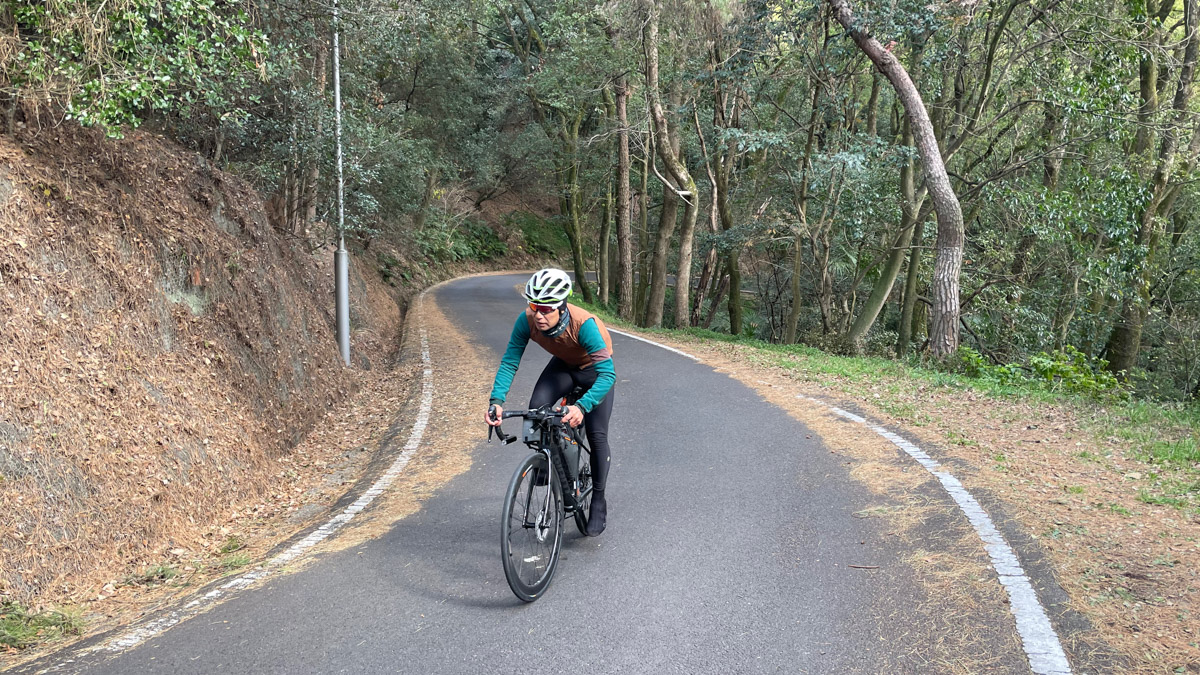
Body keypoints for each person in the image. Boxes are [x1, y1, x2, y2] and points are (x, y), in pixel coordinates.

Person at [485, 268, 615, 536]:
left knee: (597, 434)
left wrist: (582, 406)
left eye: (546, 309)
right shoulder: (527, 320)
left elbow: (608, 375)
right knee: (537, 411)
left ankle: (598, 499)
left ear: (562, 307)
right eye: (534, 306)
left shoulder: (585, 325)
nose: (539, 315)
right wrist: (497, 400)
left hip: (594, 372)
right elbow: (510, 361)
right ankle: (548, 459)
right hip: (564, 367)